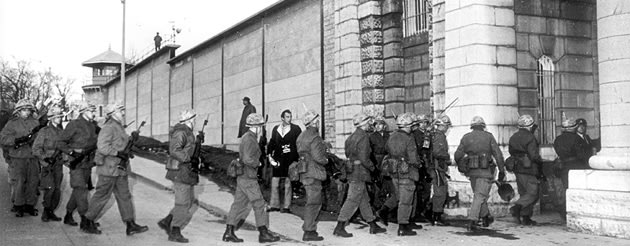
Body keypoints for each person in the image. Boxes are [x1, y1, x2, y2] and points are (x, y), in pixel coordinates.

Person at [82, 103, 149, 235]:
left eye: (123, 111)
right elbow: (102, 147)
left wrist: (131, 138)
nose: (123, 113)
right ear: (112, 113)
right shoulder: (108, 127)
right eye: (120, 111)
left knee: (125, 196)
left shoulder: (118, 127)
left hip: (120, 169)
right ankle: (87, 221)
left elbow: (120, 143)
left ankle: (130, 224)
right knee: (102, 196)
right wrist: (118, 154)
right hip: (109, 168)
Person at [222, 113, 279, 243]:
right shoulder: (249, 139)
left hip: (243, 176)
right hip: (248, 177)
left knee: (238, 205)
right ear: (257, 126)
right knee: (260, 204)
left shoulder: (247, 137)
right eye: (261, 126)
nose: (261, 128)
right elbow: (248, 158)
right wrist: (257, 163)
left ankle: (228, 232)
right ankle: (263, 233)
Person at [334, 113, 386, 238]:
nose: (370, 124)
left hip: (353, 170)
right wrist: (373, 169)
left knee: (363, 200)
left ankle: (373, 225)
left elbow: (347, 154)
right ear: (363, 123)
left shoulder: (351, 137)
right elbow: (364, 158)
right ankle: (339, 227)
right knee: (352, 199)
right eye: (368, 122)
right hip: (360, 172)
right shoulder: (363, 137)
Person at [454, 116, 505, 231]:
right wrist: (502, 171)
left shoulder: (466, 137)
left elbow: (457, 155)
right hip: (485, 171)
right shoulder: (489, 137)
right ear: (483, 126)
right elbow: (498, 154)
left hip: (472, 172)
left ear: (472, 126)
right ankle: (472, 220)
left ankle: (486, 217)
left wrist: (461, 165)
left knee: (479, 195)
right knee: (480, 196)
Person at [158, 109, 201, 243]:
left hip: (184, 171)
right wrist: (189, 158)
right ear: (189, 121)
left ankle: (167, 221)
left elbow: (187, 148)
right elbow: (174, 150)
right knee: (183, 203)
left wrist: (197, 143)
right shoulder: (181, 132)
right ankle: (175, 231)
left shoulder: (186, 132)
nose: (195, 122)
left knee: (188, 200)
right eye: (194, 120)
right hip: (180, 171)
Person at [57, 102, 98, 228]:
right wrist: (72, 152)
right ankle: (85, 219)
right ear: (83, 111)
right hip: (76, 162)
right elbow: (60, 142)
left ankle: (68, 215)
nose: (93, 113)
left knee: (78, 191)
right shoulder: (74, 124)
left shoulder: (92, 126)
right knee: (81, 189)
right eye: (91, 110)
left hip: (87, 163)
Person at [0, 99, 40, 217]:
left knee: (33, 182)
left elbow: (40, 138)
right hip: (18, 157)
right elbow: (2, 138)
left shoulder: (35, 123)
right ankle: (19, 205)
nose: (26, 112)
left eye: (28, 110)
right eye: (24, 110)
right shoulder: (12, 123)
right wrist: (16, 140)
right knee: (19, 182)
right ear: (18, 111)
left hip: (32, 156)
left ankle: (30, 205)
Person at [382, 112, 420, 236]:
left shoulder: (392, 136)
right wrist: (419, 163)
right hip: (407, 172)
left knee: (399, 197)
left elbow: (386, 149)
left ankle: (390, 215)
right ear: (408, 126)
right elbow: (413, 158)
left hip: (394, 171)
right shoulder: (409, 138)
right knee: (406, 200)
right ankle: (403, 227)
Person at [295, 109, 328, 241]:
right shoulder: (315, 137)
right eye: (316, 120)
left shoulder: (301, 136)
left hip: (304, 171)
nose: (318, 122)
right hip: (314, 172)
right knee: (314, 202)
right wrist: (326, 159)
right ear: (313, 122)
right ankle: (309, 231)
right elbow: (318, 157)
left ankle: (309, 228)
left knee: (311, 201)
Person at [507, 114, 543, 226]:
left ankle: (525, 218)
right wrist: (540, 162)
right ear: (530, 126)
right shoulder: (530, 137)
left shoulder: (513, 137)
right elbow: (534, 156)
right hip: (529, 169)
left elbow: (511, 152)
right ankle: (516, 208)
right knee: (533, 193)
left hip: (518, 168)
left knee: (523, 193)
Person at [32, 106, 65, 222]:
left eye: (60, 116)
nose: (59, 119)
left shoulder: (62, 132)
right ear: (51, 119)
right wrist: (45, 159)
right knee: (49, 188)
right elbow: (36, 149)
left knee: (57, 189)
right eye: (57, 117)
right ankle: (46, 211)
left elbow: (65, 148)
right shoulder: (44, 131)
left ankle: (51, 211)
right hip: (47, 165)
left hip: (58, 164)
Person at [553, 118, 588, 220]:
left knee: (566, 189)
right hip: (577, 166)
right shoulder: (577, 139)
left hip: (563, 166)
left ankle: (564, 212)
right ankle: (576, 212)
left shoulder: (557, 139)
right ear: (574, 128)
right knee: (577, 190)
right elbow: (581, 155)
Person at [266, 109, 301, 213]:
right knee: (275, 182)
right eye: (287, 117)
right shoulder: (276, 129)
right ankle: (274, 205)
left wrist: (297, 158)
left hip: (289, 159)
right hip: (278, 159)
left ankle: (286, 207)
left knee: (288, 183)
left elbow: (299, 143)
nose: (289, 119)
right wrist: (269, 155)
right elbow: (272, 142)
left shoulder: (295, 129)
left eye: (290, 117)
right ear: (282, 118)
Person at [429, 115, 452, 226]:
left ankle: (432, 213)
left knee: (440, 191)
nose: (447, 128)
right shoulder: (439, 136)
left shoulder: (436, 135)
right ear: (440, 126)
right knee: (440, 192)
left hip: (438, 167)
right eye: (446, 126)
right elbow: (437, 152)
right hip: (438, 167)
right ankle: (436, 216)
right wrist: (447, 157)